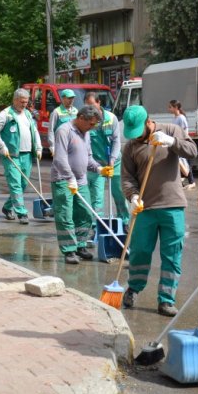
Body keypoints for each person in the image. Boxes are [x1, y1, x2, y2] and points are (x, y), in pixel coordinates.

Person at [120, 105, 197, 317]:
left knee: (172, 255)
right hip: (145, 208)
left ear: (148, 122)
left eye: (139, 132)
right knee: (140, 251)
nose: (136, 138)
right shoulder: (130, 148)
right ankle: (133, 288)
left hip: (172, 206)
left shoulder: (171, 131)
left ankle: (166, 299)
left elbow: (192, 151)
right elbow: (127, 178)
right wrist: (133, 196)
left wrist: (172, 143)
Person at [51, 105, 104, 264]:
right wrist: (69, 178)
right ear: (81, 118)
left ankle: (80, 245)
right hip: (63, 180)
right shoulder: (64, 131)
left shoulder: (86, 133)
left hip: (81, 181)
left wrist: (99, 168)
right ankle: (69, 250)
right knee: (65, 216)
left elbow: (88, 157)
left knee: (85, 213)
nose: (92, 128)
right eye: (91, 124)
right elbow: (59, 158)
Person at [0, 88, 43, 224]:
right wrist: (2, 146)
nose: (24, 104)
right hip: (11, 155)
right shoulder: (6, 114)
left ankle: (7, 207)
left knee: (23, 184)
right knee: (15, 184)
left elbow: (34, 131)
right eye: (22, 102)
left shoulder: (28, 114)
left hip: (27, 154)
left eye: (26, 102)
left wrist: (38, 147)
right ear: (15, 100)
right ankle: (22, 213)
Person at [84, 92, 128, 231]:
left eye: (92, 105)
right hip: (96, 164)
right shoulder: (86, 121)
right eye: (87, 106)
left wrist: (112, 160)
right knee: (97, 197)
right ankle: (97, 226)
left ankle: (124, 221)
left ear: (99, 103)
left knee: (119, 193)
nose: (90, 108)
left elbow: (116, 142)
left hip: (114, 162)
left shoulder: (111, 118)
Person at [169, 99, 196, 190]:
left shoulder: (181, 118)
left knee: (186, 163)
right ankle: (181, 181)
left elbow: (185, 131)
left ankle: (192, 182)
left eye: (170, 107)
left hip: (182, 142)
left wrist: (183, 142)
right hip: (177, 142)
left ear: (176, 107)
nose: (169, 109)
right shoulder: (175, 118)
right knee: (181, 162)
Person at [47, 89, 78, 157]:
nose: (71, 100)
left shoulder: (76, 111)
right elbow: (51, 130)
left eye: (72, 98)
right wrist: (52, 145)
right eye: (69, 98)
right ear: (63, 98)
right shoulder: (56, 112)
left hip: (73, 144)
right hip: (61, 144)